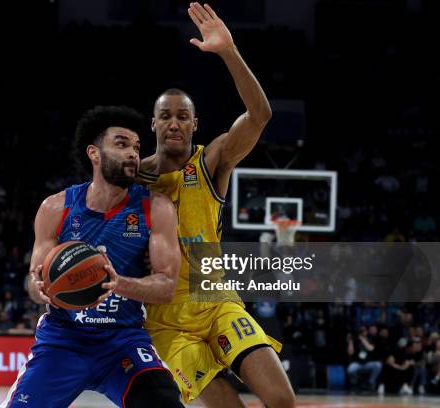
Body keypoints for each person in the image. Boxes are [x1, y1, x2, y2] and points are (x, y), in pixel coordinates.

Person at [136, 3, 294, 407]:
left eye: (182, 116)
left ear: (194, 124)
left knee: (281, 399)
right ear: (153, 124)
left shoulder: (211, 161)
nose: (174, 122)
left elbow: (260, 115)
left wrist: (229, 51)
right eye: (165, 116)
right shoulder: (132, 177)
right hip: (166, 319)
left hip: (215, 297)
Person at [0, 106, 184, 408]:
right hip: (63, 341)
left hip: (122, 342)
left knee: (164, 402)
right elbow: (33, 282)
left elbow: (166, 287)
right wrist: (42, 287)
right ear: (94, 153)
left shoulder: (157, 208)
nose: (133, 154)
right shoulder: (56, 208)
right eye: (122, 144)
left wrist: (116, 283)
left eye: (137, 147)